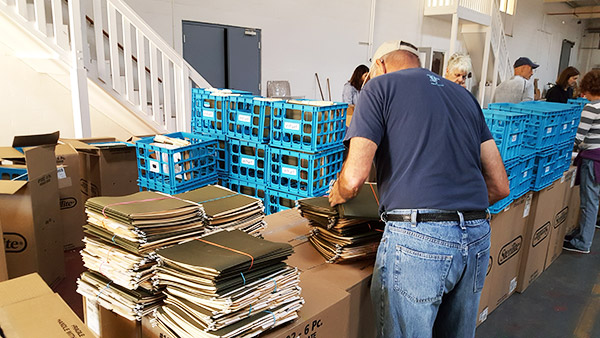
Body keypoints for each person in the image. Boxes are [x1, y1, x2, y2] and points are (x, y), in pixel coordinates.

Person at [328, 40, 509, 337]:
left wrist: (339, 193)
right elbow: (500, 185)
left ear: (380, 66)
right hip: (477, 235)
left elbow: (353, 179)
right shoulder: (464, 98)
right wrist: (453, 210)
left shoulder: (379, 87)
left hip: (419, 240)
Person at [564, 70, 600, 254]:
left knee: (589, 202)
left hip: (592, 160)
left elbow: (578, 138)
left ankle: (583, 242)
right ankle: (582, 233)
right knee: (592, 200)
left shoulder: (591, 108)